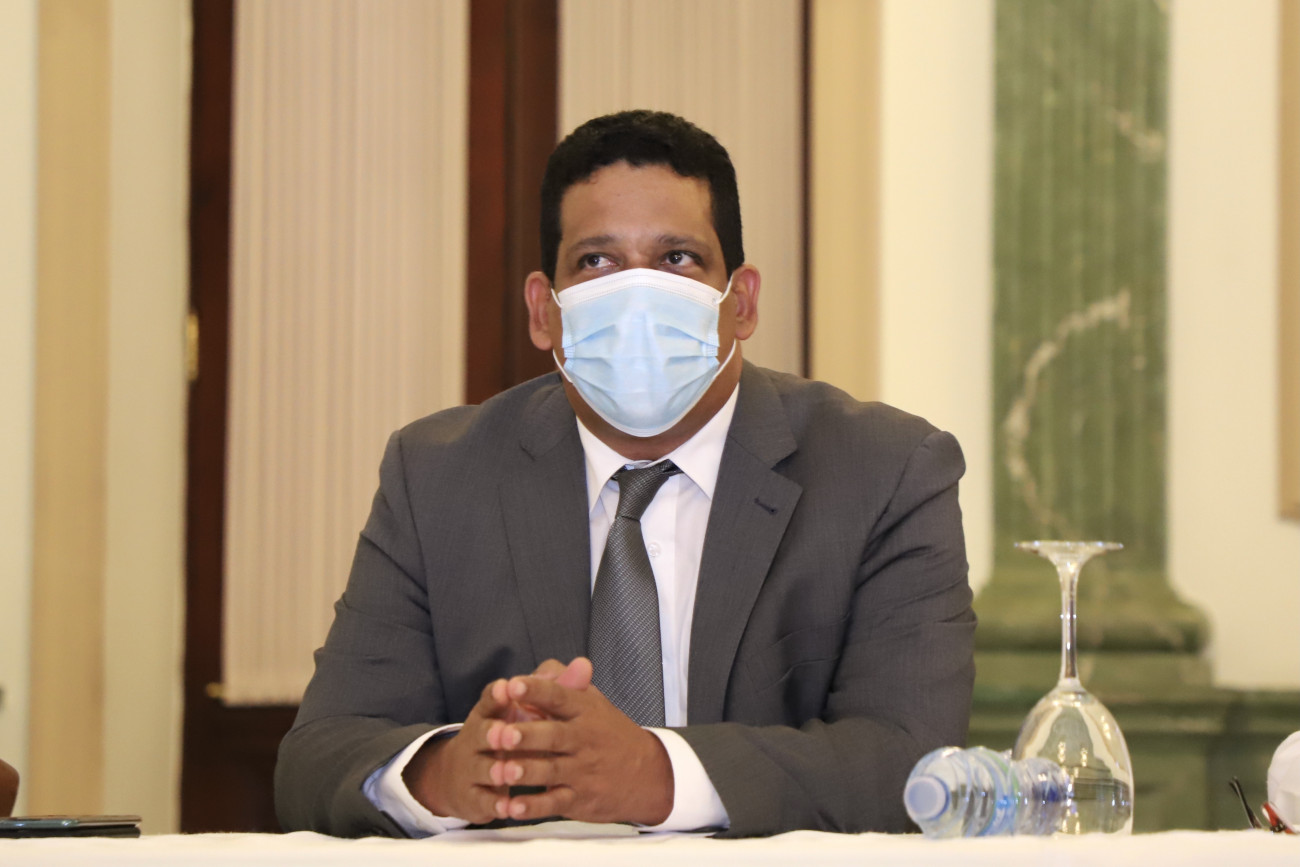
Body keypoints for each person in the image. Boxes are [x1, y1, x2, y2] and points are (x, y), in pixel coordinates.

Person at [274, 110, 975, 838]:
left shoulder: (886, 471)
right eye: (597, 262)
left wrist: (656, 774)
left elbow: (912, 760)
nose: (638, 295)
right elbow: (317, 760)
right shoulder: (437, 476)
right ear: (544, 312)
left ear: (741, 303)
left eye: (677, 258)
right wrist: (446, 773)